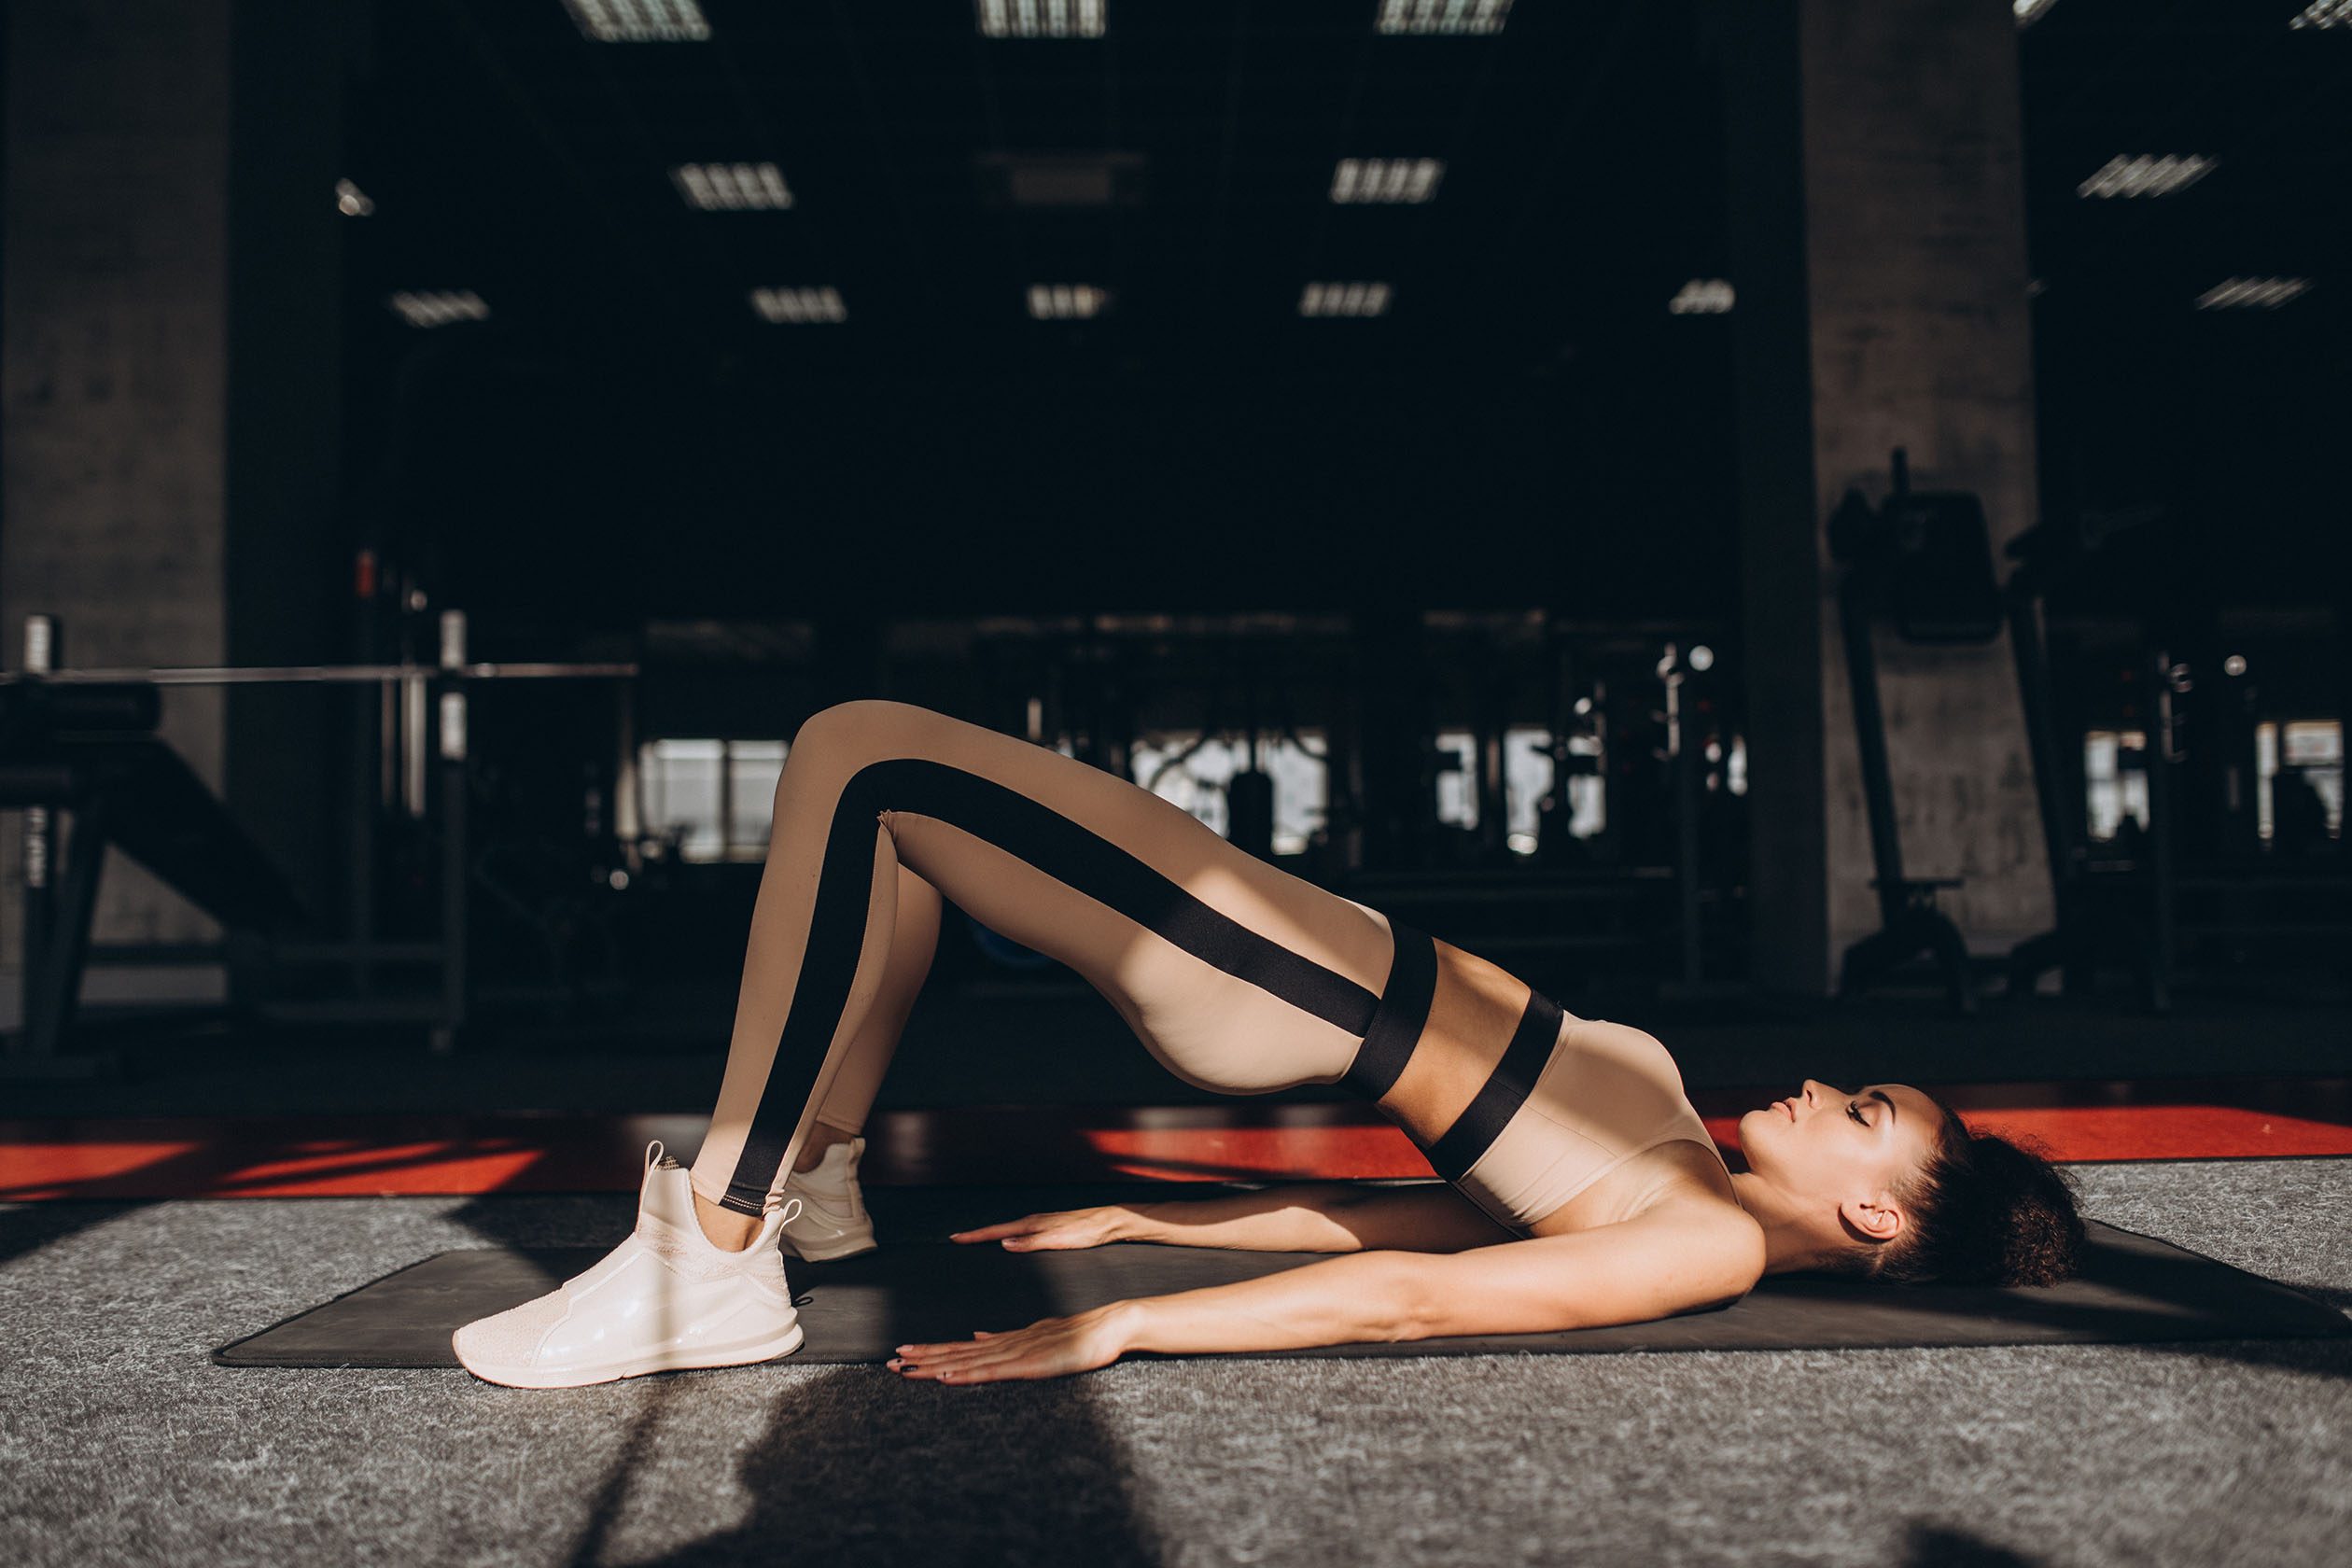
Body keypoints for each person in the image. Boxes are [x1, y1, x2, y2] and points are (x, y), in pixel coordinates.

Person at [454, 700, 2083, 1389]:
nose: (1823, 1087)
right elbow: (1422, 1220)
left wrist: (1134, 1335)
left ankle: (716, 1252)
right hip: (1284, 948)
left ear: (1878, 1212)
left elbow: (1420, 1302)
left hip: (1277, 978)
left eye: (1865, 1110)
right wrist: (1153, 1223)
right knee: (891, 835)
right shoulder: (1684, 1183)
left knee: (858, 755)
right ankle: (819, 1184)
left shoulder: (1711, 1240)